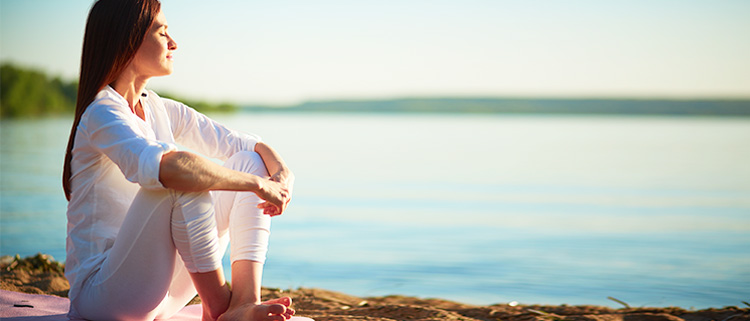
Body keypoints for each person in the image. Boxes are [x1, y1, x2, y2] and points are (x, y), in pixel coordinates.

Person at [61, 0, 295, 320]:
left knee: (245, 161)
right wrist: (257, 186)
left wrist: (281, 175)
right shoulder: (102, 112)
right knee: (179, 177)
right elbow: (170, 169)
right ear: (128, 39)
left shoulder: (159, 108)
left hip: (165, 293)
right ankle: (217, 307)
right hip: (105, 297)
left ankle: (242, 301)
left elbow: (246, 144)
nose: (173, 43)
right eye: (162, 32)